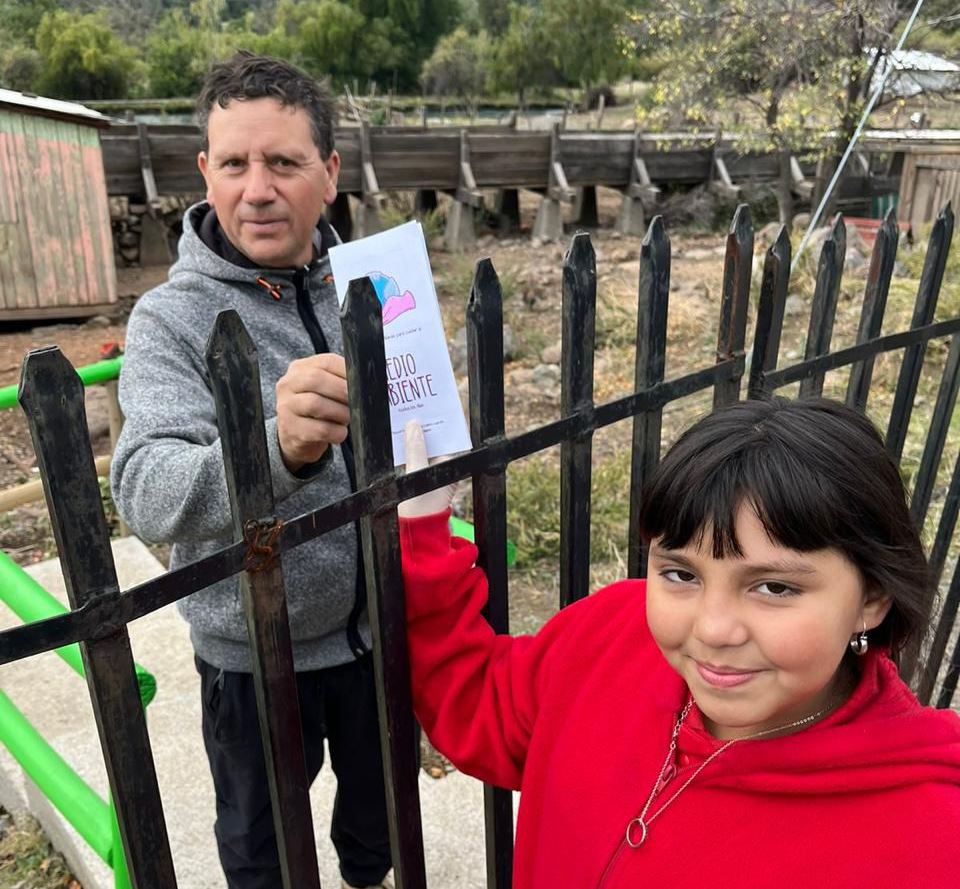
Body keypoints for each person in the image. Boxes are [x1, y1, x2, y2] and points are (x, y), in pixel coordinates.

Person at [397, 397, 960, 888]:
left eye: (773, 587)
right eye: (681, 575)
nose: (713, 629)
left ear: (872, 599)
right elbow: (481, 701)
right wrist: (424, 535)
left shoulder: (930, 842)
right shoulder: (610, 635)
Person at [111, 52, 394, 889]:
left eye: (284, 161)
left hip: (378, 632)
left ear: (330, 173)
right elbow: (146, 488)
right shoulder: (170, 318)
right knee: (263, 852)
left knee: (379, 827)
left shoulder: (376, 288)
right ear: (205, 170)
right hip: (250, 652)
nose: (257, 188)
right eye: (233, 162)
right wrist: (275, 448)